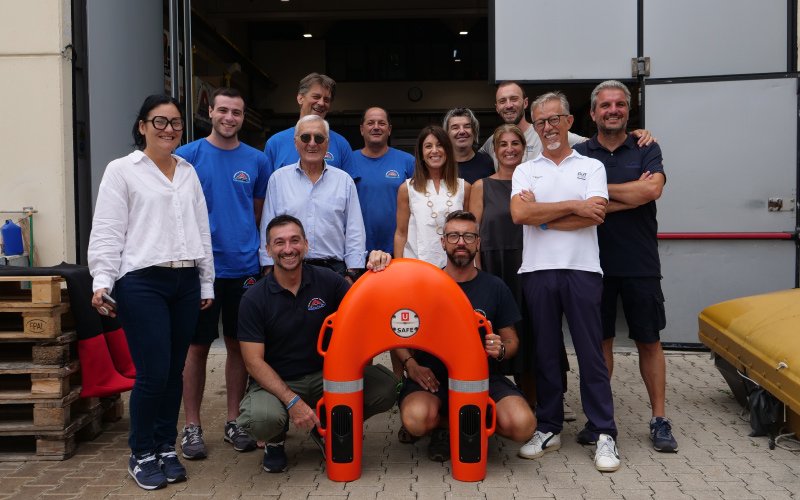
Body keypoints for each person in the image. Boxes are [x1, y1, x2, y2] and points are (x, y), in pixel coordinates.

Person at [88, 95, 214, 490]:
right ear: (142, 126)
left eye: (175, 123)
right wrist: (101, 280)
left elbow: (202, 231)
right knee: (153, 371)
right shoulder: (122, 170)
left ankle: (164, 446)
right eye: (159, 121)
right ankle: (140, 451)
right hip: (142, 282)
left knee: (174, 371)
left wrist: (206, 281)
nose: (168, 129)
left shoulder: (188, 172)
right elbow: (108, 230)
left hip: (185, 281)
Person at [510, 91, 620, 472]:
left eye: (554, 119)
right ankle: (549, 426)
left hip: (583, 269)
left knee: (591, 353)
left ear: (570, 121)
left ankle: (605, 431)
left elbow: (596, 216)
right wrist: (573, 205)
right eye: (540, 122)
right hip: (538, 270)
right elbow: (519, 213)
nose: (547, 128)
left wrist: (541, 215)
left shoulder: (591, 167)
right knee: (546, 353)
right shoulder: (526, 169)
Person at [236, 214, 398, 473]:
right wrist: (292, 402)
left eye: (295, 240)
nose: (288, 249)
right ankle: (274, 441)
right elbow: (252, 362)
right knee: (261, 419)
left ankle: (328, 425)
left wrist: (380, 266)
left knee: (386, 387)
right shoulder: (254, 299)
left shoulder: (329, 281)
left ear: (306, 245)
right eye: (279, 243)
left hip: (328, 376)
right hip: (279, 381)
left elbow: (366, 312)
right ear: (267, 250)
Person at [573, 80, 676, 452]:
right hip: (592, 263)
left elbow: (651, 191)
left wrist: (600, 190)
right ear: (593, 113)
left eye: (619, 104)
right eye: (605, 105)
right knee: (600, 344)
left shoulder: (646, 146)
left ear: (627, 110)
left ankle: (659, 419)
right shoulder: (580, 154)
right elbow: (576, 199)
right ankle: (601, 420)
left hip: (640, 263)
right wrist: (630, 190)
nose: (612, 110)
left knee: (649, 340)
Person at [394, 210, 536, 462]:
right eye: (454, 236)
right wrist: (411, 364)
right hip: (432, 378)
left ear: (478, 243)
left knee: (523, 425)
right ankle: (448, 428)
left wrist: (500, 349)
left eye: (469, 236)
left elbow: (512, 341)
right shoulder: (424, 285)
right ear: (443, 242)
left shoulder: (494, 287)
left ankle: (462, 425)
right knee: (415, 420)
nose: (461, 242)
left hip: (482, 377)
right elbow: (397, 335)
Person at [174, 88, 269, 459]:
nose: (230, 118)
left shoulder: (257, 161)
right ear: (210, 112)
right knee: (196, 347)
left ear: (243, 118)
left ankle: (234, 421)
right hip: (199, 269)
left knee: (237, 346)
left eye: (237, 112)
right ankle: (193, 427)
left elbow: (257, 213)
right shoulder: (187, 157)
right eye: (223, 110)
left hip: (243, 268)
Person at [258, 115, 366, 279]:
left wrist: (352, 273)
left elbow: (354, 229)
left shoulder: (344, 181)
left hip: (334, 272)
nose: (312, 143)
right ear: (295, 143)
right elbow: (267, 224)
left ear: (327, 144)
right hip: (288, 269)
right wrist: (267, 266)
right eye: (305, 137)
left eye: (319, 138)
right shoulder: (278, 179)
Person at [480, 81, 654, 167]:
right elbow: (470, 160)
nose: (508, 105)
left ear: (525, 103)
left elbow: (602, 141)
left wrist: (632, 135)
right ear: (497, 108)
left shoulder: (556, 134)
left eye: (514, 99)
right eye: (503, 101)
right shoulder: (491, 143)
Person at [394, 125, 470, 269]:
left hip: (455, 267)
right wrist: (398, 269)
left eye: (440, 145)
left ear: (447, 150)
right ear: (421, 154)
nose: (434, 151)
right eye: (428, 146)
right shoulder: (407, 189)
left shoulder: (464, 187)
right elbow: (401, 233)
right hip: (416, 266)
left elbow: (469, 230)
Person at [349, 107, 415, 254]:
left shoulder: (408, 162)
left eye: (381, 123)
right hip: (357, 251)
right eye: (371, 123)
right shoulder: (348, 161)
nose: (376, 127)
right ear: (361, 129)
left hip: (398, 250)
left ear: (389, 129)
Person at [263, 72, 352, 173]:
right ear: (300, 98)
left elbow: (349, 186)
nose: (321, 103)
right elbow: (267, 186)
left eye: (326, 100)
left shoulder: (341, 144)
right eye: (316, 97)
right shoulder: (276, 143)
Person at [443, 107, 494, 184]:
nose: (462, 131)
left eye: (467, 126)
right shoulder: (440, 164)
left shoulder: (488, 163)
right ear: (447, 134)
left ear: (474, 131)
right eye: (455, 127)